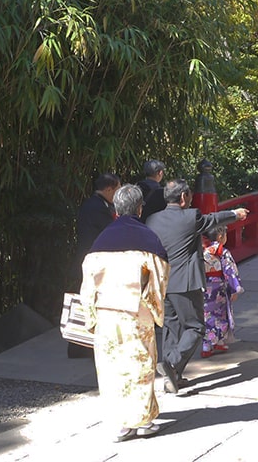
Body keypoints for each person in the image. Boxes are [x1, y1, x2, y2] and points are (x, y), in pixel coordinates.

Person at [78, 184, 169, 442]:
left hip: (107, 312)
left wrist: (90, 316)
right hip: (135, 312)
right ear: (140, 208)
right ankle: (143, 420)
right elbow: (159, 278)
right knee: (140, 364)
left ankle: (120, 423)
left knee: (112, 367)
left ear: (115, 209)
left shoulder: (101, 241)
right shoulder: (147, 239)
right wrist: (154, 308)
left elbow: (88, 282)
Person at [145, 179, 248, 394]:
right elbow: (212, 220)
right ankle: (172, 364)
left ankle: (173, 376)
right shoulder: (190, 217)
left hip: (163, 281)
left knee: (171, 327)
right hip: (185, 282)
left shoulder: (152, 219)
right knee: (195, 326)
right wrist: (235, 214)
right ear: (183, 198)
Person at [69, 172, 121, 358]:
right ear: (108, 189)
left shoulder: (91, 204)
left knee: (88, 301)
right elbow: (111, 231)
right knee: (90, 302)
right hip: (94, 260)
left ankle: (81, 345)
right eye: (116, 189)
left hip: (87, 257)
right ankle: (82, 345)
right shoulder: (98, 208)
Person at [201, 225, 243, 358]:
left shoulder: (203, 250)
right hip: (219, 288)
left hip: (204, 287)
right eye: (225, 234)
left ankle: (211, 344)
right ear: (220, 237)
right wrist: (235, 288)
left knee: (207, 315)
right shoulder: (222, 252)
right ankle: (213, 343)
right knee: (221, 315)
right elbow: (230, 271)